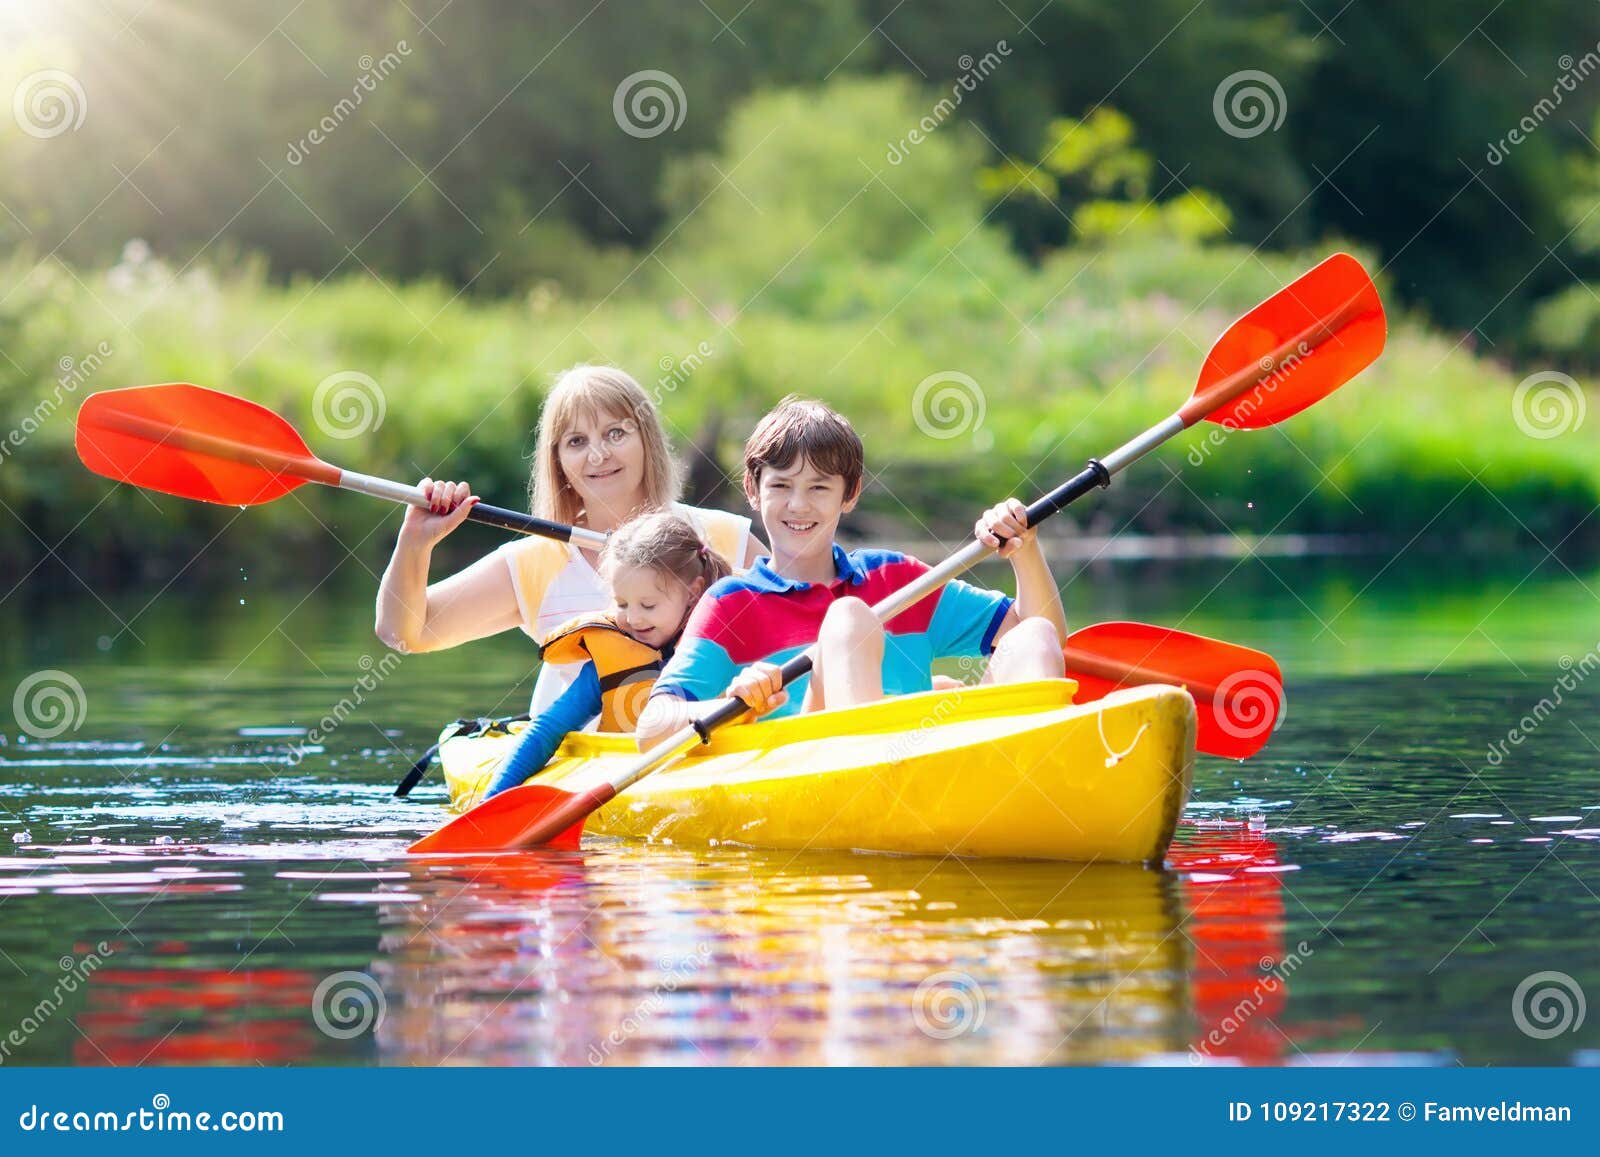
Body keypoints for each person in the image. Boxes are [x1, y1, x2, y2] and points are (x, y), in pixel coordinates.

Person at [636, 397, 1067, 746]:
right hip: (823, 782)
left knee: (1033, 635)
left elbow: (1047, 641)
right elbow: (652, 726)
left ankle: (1036, 779)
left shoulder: (897, 577)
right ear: (752, 489)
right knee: (849, 618)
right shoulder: (730, 603)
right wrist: (732, 702)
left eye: (819, 487)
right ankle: (875, 773)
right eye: (781, 486)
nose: (799, 506)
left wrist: (1023, 549)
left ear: (850, 493)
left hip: (930, 772)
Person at [374, 364, 763, 716]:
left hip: (708, 744)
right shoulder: (535, 562)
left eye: (616, 433)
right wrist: (415, 543)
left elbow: (810, 614)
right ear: (557, 460)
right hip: (580, 764)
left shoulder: (721, 537)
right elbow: (404, 633)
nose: (597, 455)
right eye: (576, 441)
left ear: (647, 441)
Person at [481, 511, 730, 798]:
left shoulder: (725, 643)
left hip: (717, 770)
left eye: (648, 605)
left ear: (693, 592)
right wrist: (492, 799)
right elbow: (548, 728)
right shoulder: (608, 660)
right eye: (622, 603)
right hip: (633, 784)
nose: (634, 619)